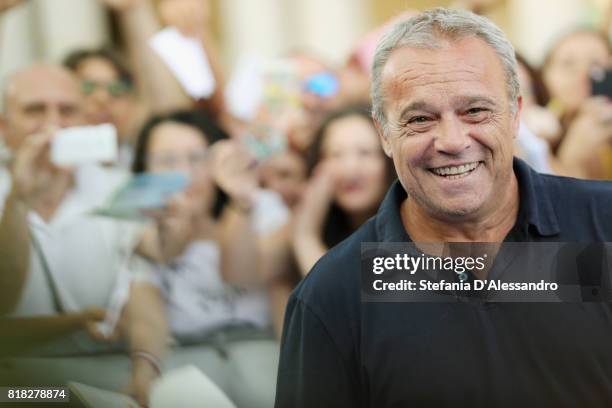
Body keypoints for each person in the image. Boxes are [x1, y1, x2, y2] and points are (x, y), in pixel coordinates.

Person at [275, 8, 612, 408]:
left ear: (516, 113)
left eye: (475, 111)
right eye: (420, 119)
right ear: (384, 133)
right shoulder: (333, 294)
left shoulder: (603, 225)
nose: (452, 140)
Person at [124, 110, 288, 407]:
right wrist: (144, 373)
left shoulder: (262, 206)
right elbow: (146, 316)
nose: (185, 174)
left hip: (261, 353)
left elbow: (243, 275)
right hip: (187, 361)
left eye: (197, 158)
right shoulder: (139, 231)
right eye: (167, 161)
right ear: (143, 169)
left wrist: (241, 205)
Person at [0, 64, 140, 356]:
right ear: (4, 127)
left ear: (86, 122)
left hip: (105, 377)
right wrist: (18, 200)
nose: (53, 125)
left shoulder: (122, 190)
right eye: (35, 110)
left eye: (67, 111)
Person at [541, 29, 612, 178]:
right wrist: (573, 157)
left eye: (596, 63)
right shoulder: (536, 134)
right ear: (545, 75)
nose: (583, 73)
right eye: (568, 64)